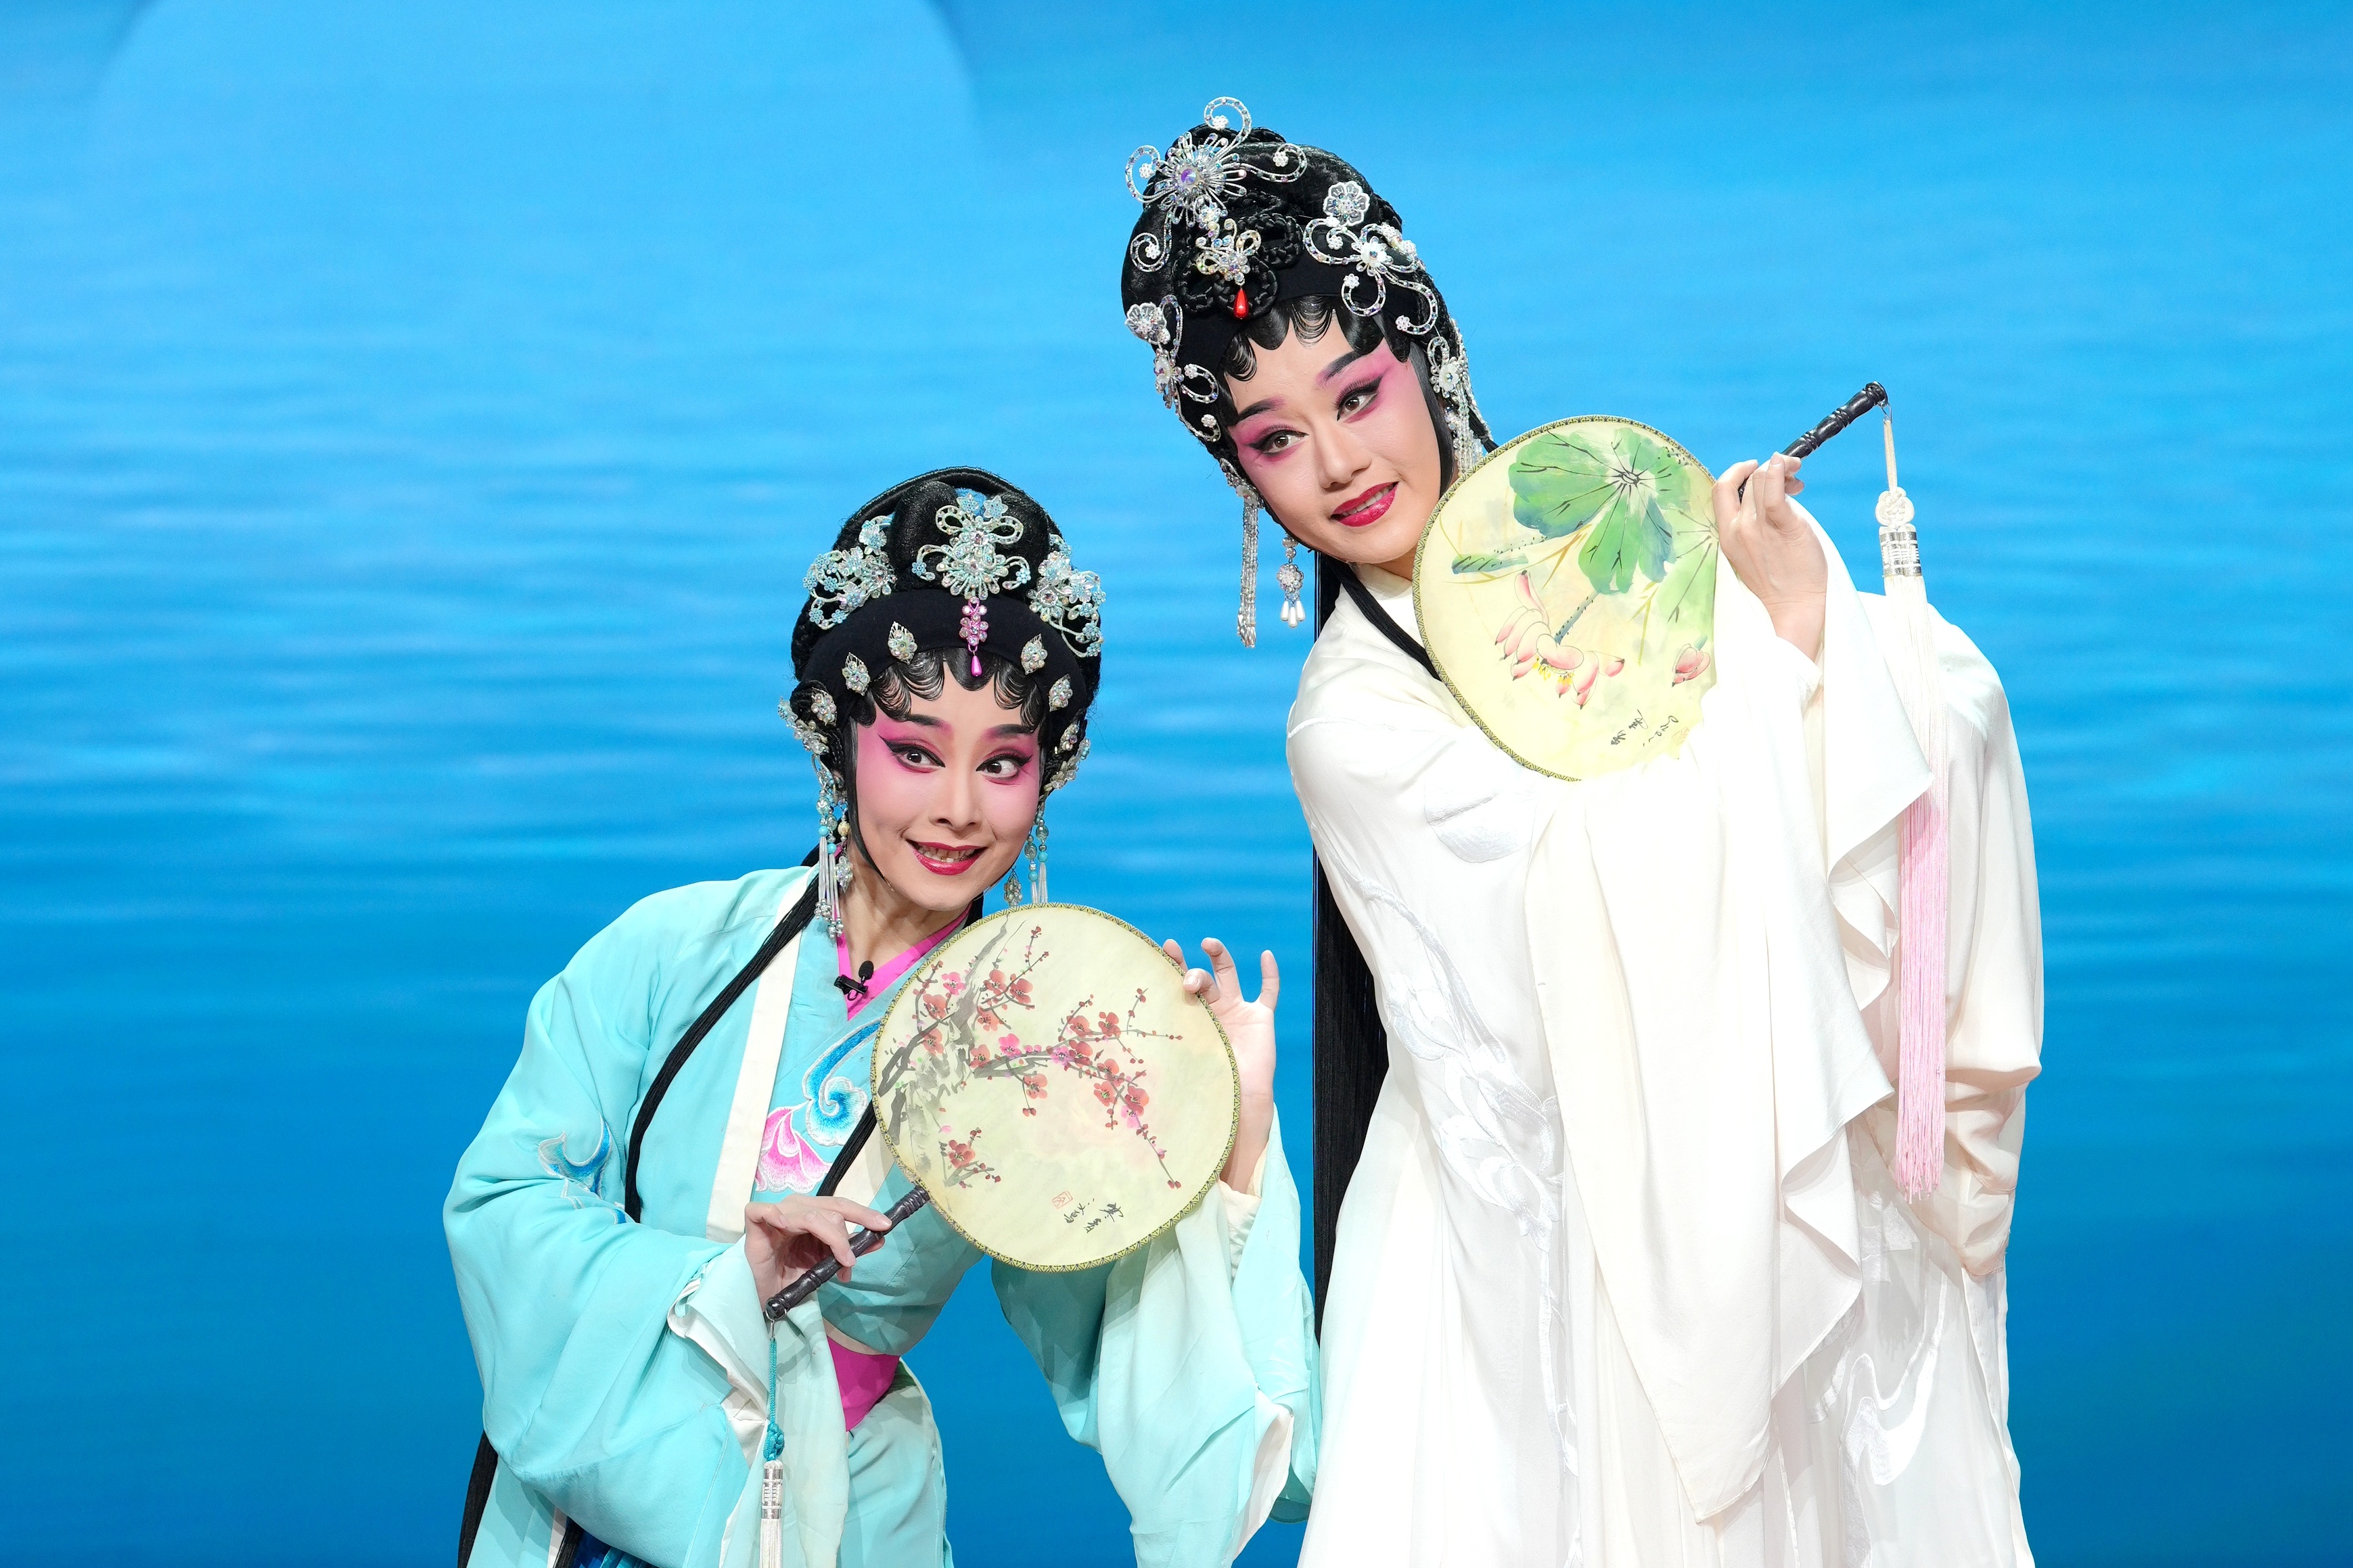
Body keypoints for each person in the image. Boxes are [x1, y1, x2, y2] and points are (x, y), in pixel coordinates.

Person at [1116, 101, 2042, 1566]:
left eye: (1356, 393)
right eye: (1276, 437)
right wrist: (1788, 657)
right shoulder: (1345, 723)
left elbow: (1914, 724)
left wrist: (1819, 631)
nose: (1339, 462)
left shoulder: (1596, 532)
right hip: (1524, 1276)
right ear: (1241, 474)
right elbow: (1567, 920)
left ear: (1423, 353)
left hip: (1715, 1178)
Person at [446, 469, 1317, 1568]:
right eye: (914, 751)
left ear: (1047, 775)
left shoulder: (1046, 1046)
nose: (957, 808)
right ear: (838, 737)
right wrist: (730, 1281)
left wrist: (1223, 1124)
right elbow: (504, 1203)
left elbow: (1151, 1363)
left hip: (845, 1518)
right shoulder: (673, 947)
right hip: (577, 1509)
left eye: (1002, 762)